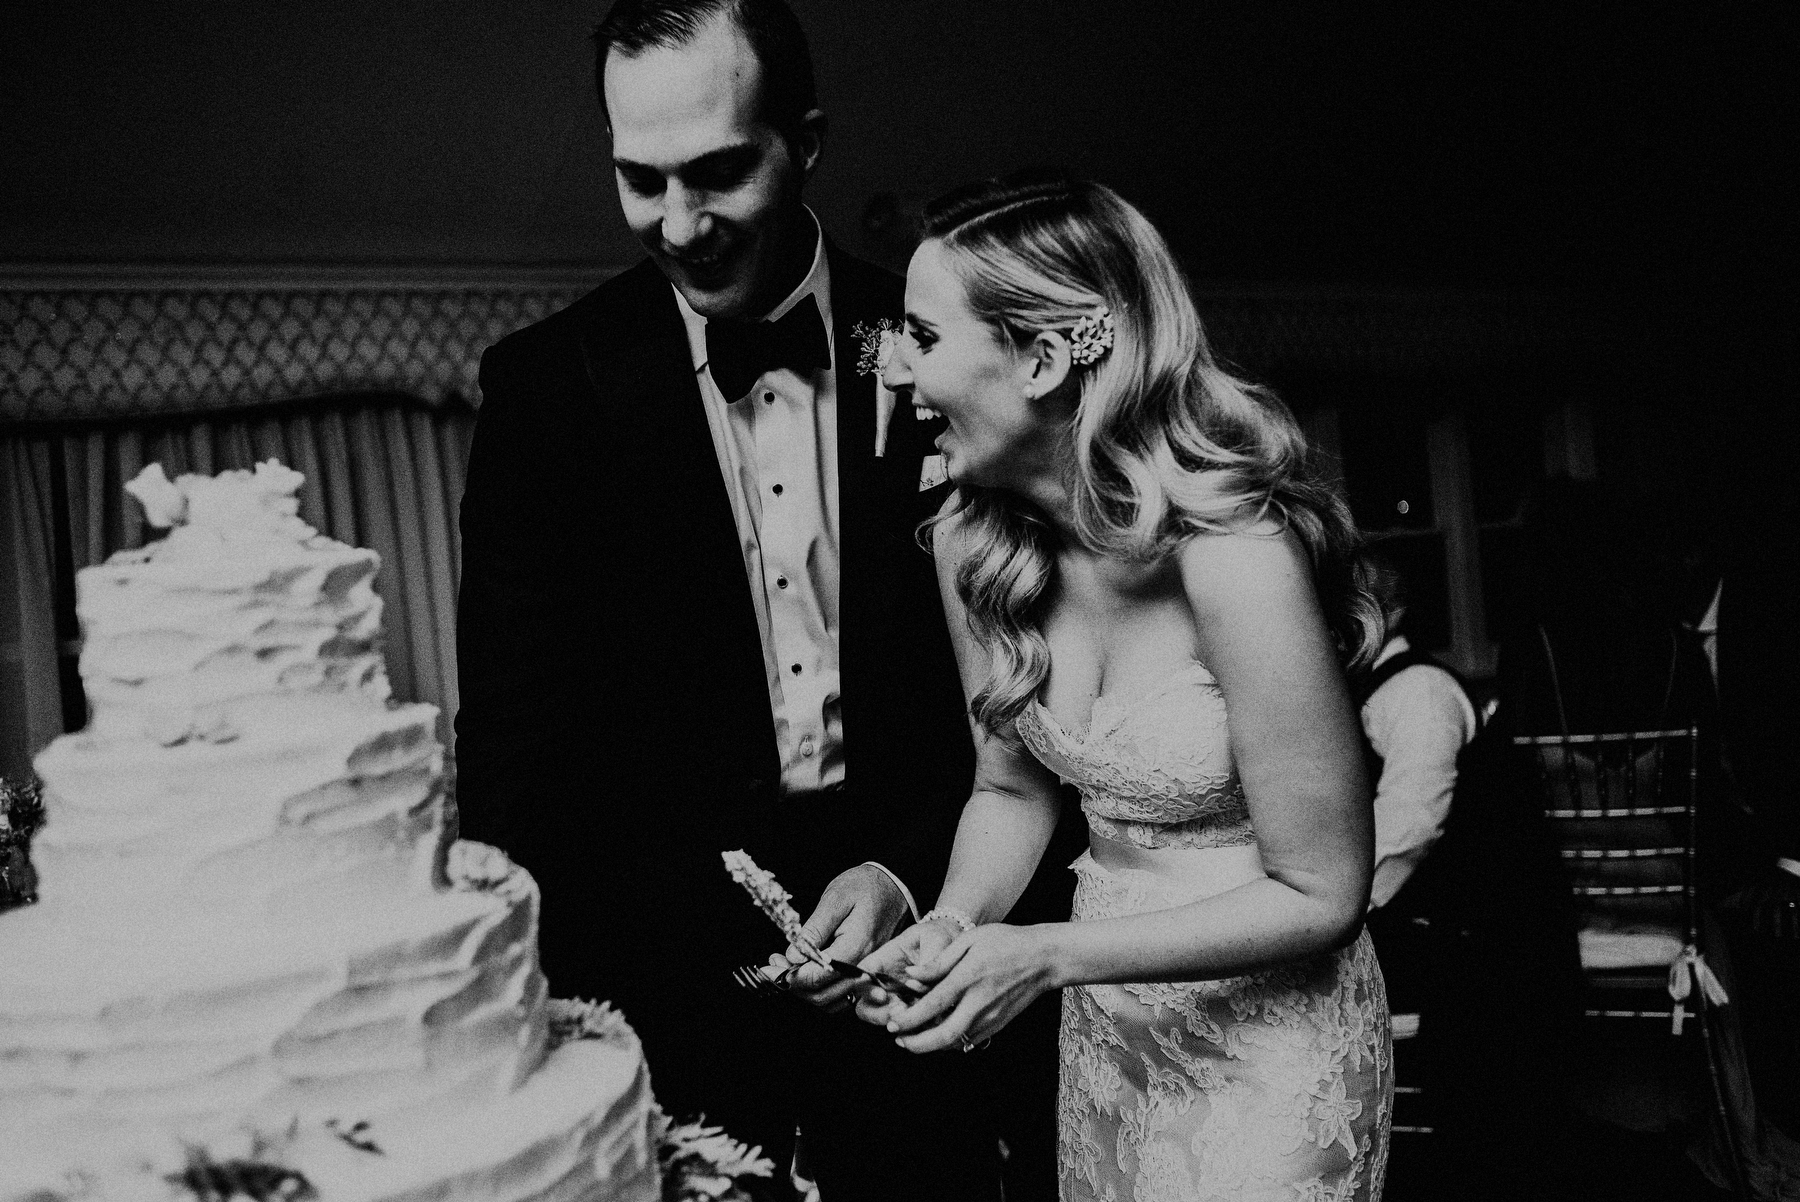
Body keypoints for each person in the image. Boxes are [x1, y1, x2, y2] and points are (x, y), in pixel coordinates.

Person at [454, 2, 1018, 1197]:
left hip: (924, 946)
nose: (680, 224)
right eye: (639, 180)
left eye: (716, 173)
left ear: (804, 141)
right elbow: (514, 750)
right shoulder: (545, 391)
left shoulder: (942, 349)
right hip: (665, 985)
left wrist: (917, 879)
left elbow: (1029, 692)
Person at [845, 173, 1394, 1201]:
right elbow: (1009, 791)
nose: (899, 376)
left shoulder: (1236, 558)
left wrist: (1048, 953)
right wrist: (954, 927)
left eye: (923, 336)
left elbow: (1325, 891)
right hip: (1108, 1036)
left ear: (1044, 357)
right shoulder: (971, 543)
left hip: (1275, 1054)